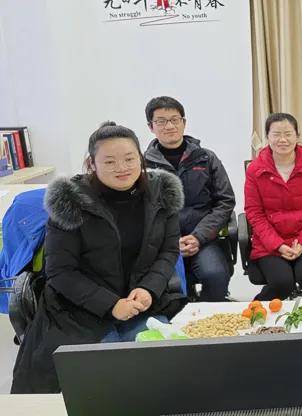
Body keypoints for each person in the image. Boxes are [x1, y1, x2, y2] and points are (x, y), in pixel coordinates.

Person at [12, 122, 186, 393]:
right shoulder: (71, 202)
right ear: (92, 164)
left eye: (129, 159)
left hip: (140, 304)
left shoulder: (160, 195)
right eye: (110, 161)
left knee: (164, 370)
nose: (122, 167)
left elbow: (168, 251)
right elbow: (60, 272)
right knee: (109, 378)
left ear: (141, 159)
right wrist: (111, 304)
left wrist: (149, 289)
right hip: (78, 311)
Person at [144, 96, 235, 301]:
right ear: (151, 126)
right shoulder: (143, 165)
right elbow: (139, 209)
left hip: (202, 237)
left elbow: (225, 201)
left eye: (174, 119)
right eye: (161, 121)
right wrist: (168, 240)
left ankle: (206, 315)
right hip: (161, 243)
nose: (169, 126)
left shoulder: (206, 158)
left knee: (216, 275)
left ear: (184, 122)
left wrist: (198, 236)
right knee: (166, 286)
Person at [244, 113, 302, 300]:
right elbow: (254, 213)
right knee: (281, 283)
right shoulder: (255, 170)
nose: (282, 140)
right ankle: (254, 311)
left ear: (297, 136)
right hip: (269, 242)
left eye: (288, 134)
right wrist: (278, 245)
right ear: (268, 137)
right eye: (276, 134)